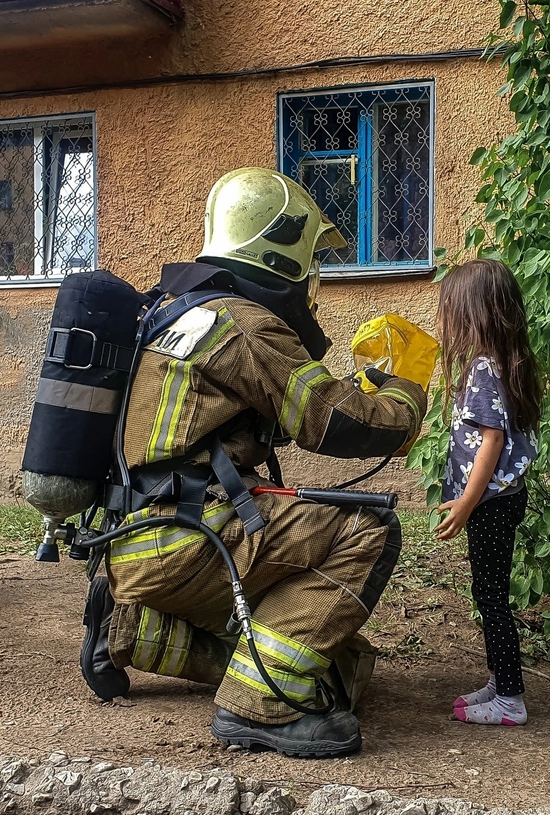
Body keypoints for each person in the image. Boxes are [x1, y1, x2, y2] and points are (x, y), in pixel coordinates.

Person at [79, 167, 427, 758]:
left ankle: (130, 628)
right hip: (189, 539)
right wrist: (406, 392)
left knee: (345, 665)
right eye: (311, 259)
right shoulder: (245, 324)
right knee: (369, 530)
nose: (315, 277)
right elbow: (333, 421)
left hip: (132, 538)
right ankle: (257, 709)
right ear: (281, 253)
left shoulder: (176, 312)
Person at [433, 258, 543, 726]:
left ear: (476, 314)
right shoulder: (505, 363)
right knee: (488, 590)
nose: (447, 321)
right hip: (501, 499)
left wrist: (465, 503)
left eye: (453, 311)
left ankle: (511, 700)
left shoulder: (483, 368)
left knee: (491, 595)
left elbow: (490, 443)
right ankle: (501, 681)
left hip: (491, 502)